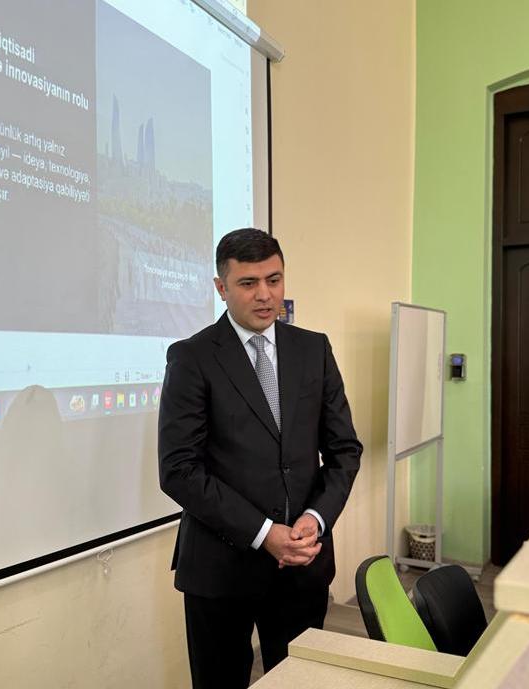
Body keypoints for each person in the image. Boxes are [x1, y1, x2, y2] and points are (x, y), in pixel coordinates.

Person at [158, 228, 362, 689]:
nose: (265, 295)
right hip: (220, 569)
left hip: (302, 565)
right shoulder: (192, 358)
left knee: (300, 683)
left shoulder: (313, 349)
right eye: (248, 283)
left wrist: (316, 518)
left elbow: (344, 450)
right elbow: (179, 470)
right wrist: (264, 533)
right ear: (221, 287)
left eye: (274, 279)